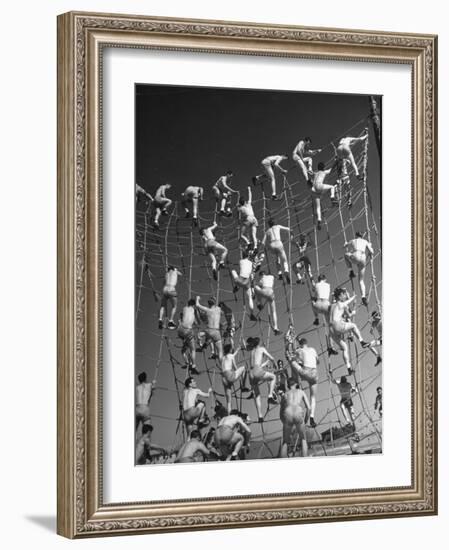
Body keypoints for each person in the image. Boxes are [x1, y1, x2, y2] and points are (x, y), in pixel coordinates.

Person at [328, 288, 369, 375]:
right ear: (339, 296)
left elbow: (348, 314)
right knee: (353, 326)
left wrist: (352, 313)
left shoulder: (332, 306)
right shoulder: (340, 304)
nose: (345, 296)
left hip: (331, 331)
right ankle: (362, 341)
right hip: (337, 325)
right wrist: (353, 297)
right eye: (343, 295)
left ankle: (349, 368)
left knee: (345, 348)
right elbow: (347, 303)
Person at [286, 337, 319, 428]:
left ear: (300, 344)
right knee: (313, 397)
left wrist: (290, 342)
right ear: (307, 343)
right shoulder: (313, 349)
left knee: (291, 362)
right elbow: (318, 361)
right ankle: (311, 417)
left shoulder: (299, 350)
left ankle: (295, 383)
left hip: (305, 372)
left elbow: (290, 354)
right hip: (315, 374)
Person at [246, 336, 277, 422]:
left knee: (257, 395)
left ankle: (260, 416)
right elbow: (272, 358)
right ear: (259, 343)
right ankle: (270, 396)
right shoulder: (261, 349)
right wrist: (275, 364)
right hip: (257, 371)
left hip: (251, 373)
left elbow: (255, 364)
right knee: (273, 377)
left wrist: (264, 364)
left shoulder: (252, 351)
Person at [279, 377, 311, 458]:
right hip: (298, 411)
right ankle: (305, 458)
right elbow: (309, 408)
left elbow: (281, 412)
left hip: (287, 413)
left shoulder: (285, 394)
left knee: (285, 442)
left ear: (288, 385)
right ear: (295, 384)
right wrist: (306, 419)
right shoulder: (301, 392)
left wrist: (285, 422)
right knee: (303, 439)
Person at [344, 231, 374, 306]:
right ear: (362, 236)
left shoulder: (353, 240)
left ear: (356, 235)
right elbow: (372, 251)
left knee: (345, 255)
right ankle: (363, 297)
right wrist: (370, 246)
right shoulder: (365, 241)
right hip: (363, 258)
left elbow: (344, 246)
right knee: (361, 280)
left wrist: (346, 244)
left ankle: (350, 271)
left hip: (356, 256)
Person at [310, 162, 337, 230]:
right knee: (332, 187)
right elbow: (331, 170)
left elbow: (311, 174)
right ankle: (332, 198)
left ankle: (319, 219)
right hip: (319, 186)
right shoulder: (323, 172)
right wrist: (335, 162)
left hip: (314, 189)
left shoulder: (316, 173)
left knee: (318, 206)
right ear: (323, 167)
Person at [253, 270, 281, 335]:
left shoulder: (261, 279)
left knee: (255, 287)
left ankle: (259, 303)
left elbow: (258, 285)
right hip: (271, 293)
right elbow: (273, 275)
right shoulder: (271, 277)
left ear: (261, 275)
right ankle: (276, 328)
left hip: (264, 291)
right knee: (274, 311)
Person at [196, 296, 224, 361]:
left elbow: (197, 305)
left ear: (209, 304)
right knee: (220, 351)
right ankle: (223, 367)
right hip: (216, 332)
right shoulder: (218, 309)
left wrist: (197, 298)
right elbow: (222, 313)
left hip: (208, 330)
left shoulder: (207, 309)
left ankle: (200, 344)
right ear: (215, 303)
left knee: (199, 334)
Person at [220, 344, 246, 414]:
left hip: (223, 378)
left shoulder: (223, 358)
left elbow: (231, 356)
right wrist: (239, 375)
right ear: (230, 350)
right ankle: (243, 386)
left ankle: (228, 414)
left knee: (229, 400)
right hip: (229, 375)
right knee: (243, 368)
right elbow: (235, 367)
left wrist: (237, 350)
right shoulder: (231, 356)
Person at [178, 298, 198, 374]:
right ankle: (193, 365)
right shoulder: (193, 310)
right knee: (193, 349)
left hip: (180, 330)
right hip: (188, 331)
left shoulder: (184, 308)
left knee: (183, 351)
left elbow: (183, 316)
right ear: (193, 305)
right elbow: (195, 322)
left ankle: (187, 362)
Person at [158, 266, 182, 330]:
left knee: (162, 306)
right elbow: (181, 274)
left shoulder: (166, 274)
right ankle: (171, 320)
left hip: (165, 289)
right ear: (173, 269)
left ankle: (160, 319)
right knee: (174, 306)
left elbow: (163, 282)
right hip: (172, 289)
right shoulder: (175, 271)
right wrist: (176, 270)